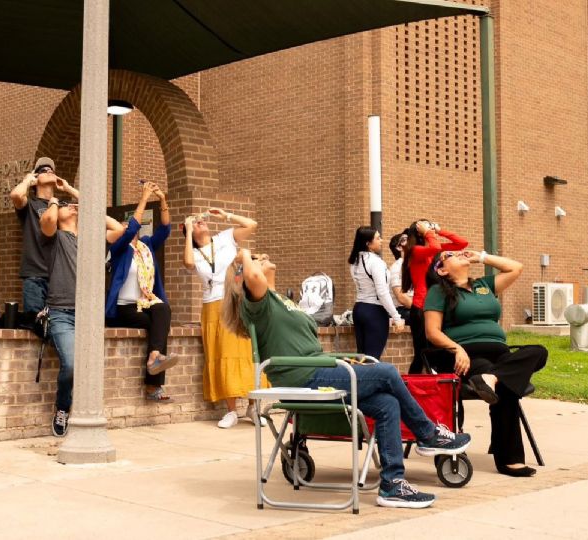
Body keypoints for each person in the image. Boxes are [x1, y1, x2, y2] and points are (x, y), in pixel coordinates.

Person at [222, 247, 471, 509]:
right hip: (303, 378)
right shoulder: (257, 304)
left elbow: (264, 284)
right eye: (257, 260)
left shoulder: (278, 300)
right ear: (244, 276)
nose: (262, 258)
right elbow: (253, 277)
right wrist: (243, 255)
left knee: (387, 404)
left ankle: (393, 486)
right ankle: (428, 434)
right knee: (386, 372)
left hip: (318, 371)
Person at [424, 250, 547, 477]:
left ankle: (494, 377)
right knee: (506, 388)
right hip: (465, 355)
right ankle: (510, 460)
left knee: (538, 352)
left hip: (499, 354)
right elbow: (432, 332)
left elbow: (515, 267)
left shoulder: (484, 285)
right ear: (442, 269)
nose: (458, 254)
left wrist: (481, 257)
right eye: (449, 255)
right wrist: (457, 348)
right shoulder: (438, 291)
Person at [40, 177, 125, 437]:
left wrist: (76, 195)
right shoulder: (54, 237)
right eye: (67, 206)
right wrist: (56, 198)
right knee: (72, 365)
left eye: (73, 205)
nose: (71, 207)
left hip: (89, 313)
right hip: (61, 311)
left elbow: (118, 230)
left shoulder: (92, 237)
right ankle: (62, 408)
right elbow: (47, 221)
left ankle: (85, 412)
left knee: (89, 366)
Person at [183, 207, 268, 429]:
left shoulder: (224, 238)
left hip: (235, 299)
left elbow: (251, 224)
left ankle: (252, 406)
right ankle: (231, 410)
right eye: (196, 224)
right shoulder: (194, 253)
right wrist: (189, 226)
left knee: (245, 352)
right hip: (212, 305)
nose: (202, 222)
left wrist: (226, 216)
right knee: (222, 354)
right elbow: (189, 263)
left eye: (202, 221)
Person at [106, 181, 177, 401]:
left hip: (144, 305)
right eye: (123, 224)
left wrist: (162, 199)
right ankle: (152, 386)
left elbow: (165, 229)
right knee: (159, 327)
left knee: (163, 311)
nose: (127, 226)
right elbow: (132, 229)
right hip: (123, 309)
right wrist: (144, 198)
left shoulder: (145, 245)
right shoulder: (118, 249)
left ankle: (154, 358)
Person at [401, 220, 467, 373]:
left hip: (437, 306)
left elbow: (462, 244)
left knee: (438, 352)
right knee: (421, 353)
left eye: (430, 225)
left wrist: (440, 230)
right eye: (426, 225)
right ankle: (412, 389)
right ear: (419, 232)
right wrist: (429, 233)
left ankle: (435, 387)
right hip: (421, 307)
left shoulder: (432, 249)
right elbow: (435, 247)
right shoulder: (415, 251)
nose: (430, 228)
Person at [348, 226, 405, 360]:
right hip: (374, 311)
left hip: (359, 309)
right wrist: (396, 317)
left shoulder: (354, 262)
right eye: (378, 238)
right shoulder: (376, 262)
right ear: (368, 243)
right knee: (372, 359)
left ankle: (358, 381)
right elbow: (382, 292)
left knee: (361, 358)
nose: (381, 240)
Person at [10, 157, 59, 315]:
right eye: (43, 170)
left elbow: (90, 206)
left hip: (59, 276)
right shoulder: (30, 205)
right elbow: (16, 195)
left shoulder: (61, 206)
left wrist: (68, 189)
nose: (49, 171)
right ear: (35, 178)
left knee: (58, 324)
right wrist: (26, 181)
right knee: (36, 325)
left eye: (51, 170)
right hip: (35, 276)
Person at [388, 231, 413, 322]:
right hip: (403, 310)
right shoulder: (396, 268)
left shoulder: (413, 265)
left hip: (414, 307)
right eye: (405, 240)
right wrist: (421, 310)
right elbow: (401, 297)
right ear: (399, 247)